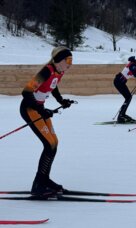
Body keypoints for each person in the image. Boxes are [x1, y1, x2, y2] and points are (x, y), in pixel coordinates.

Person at [20, 46, 75, 198]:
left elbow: (53, 85)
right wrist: (40, 109)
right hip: (30, 109)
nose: (70, 63)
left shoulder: (59, 72)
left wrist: (61, 100)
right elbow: (26, 91)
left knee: (54, 143)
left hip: (40, 109)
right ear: (58, 60)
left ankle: (44, 180)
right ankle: (38, 185)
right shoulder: (46, 70)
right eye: (68, 60)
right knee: (49, 144)